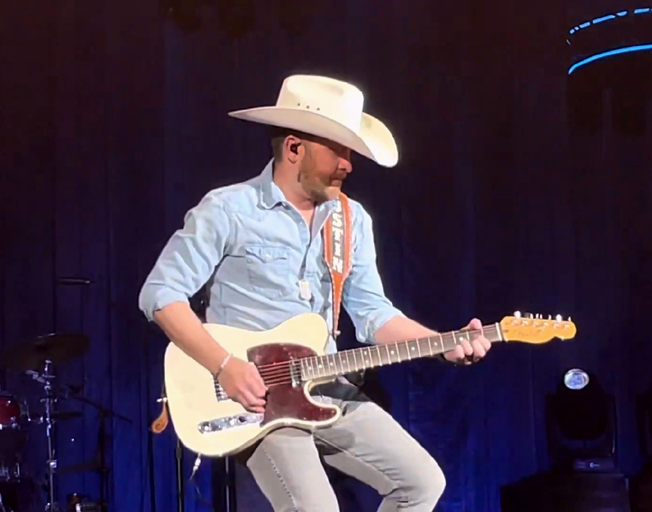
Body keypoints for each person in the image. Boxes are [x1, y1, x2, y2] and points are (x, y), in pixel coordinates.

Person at [138, 74, 492, 512]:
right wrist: (225, 365)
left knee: (421, 484)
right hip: (258, 401)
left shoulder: (351, 220)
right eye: (338, 150)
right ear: (293, 148)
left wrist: (442, 344)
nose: (348, 164)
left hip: (326, 384)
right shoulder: (228, 209)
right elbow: (160, 294)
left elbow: (373, 313)